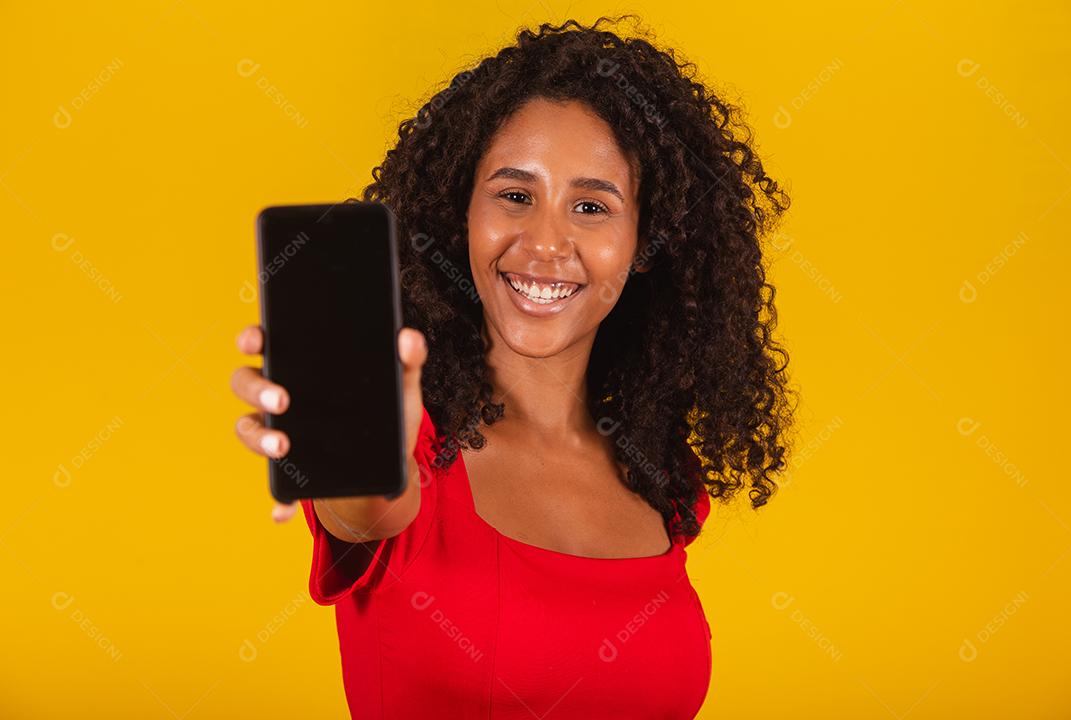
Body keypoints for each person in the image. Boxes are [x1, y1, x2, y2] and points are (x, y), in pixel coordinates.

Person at [230, 16, 794, 718]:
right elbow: (366, 510)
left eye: (591, 205)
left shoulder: (661, 478)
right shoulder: (411, 448)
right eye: (515, 195)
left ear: (643, 244)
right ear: (459, 215)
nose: (546, 242)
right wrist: (344, 442)